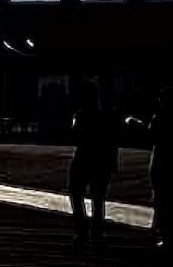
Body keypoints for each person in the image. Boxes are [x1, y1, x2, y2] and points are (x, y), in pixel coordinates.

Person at [68, 80, 119, 248]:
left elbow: (73, 134)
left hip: (83, 158)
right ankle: (96, 234)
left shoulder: (80, 115)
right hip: (102, 161)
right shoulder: (108, 115)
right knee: (98, 200)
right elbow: (113, 141)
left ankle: (81, 231)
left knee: (76, 195)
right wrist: (112, 163)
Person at [127, 86, 173, 251]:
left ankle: (164, 234)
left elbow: (150, 136)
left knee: (161, 199)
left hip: (161, 162)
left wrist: (137, 124)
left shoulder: (159, 118)